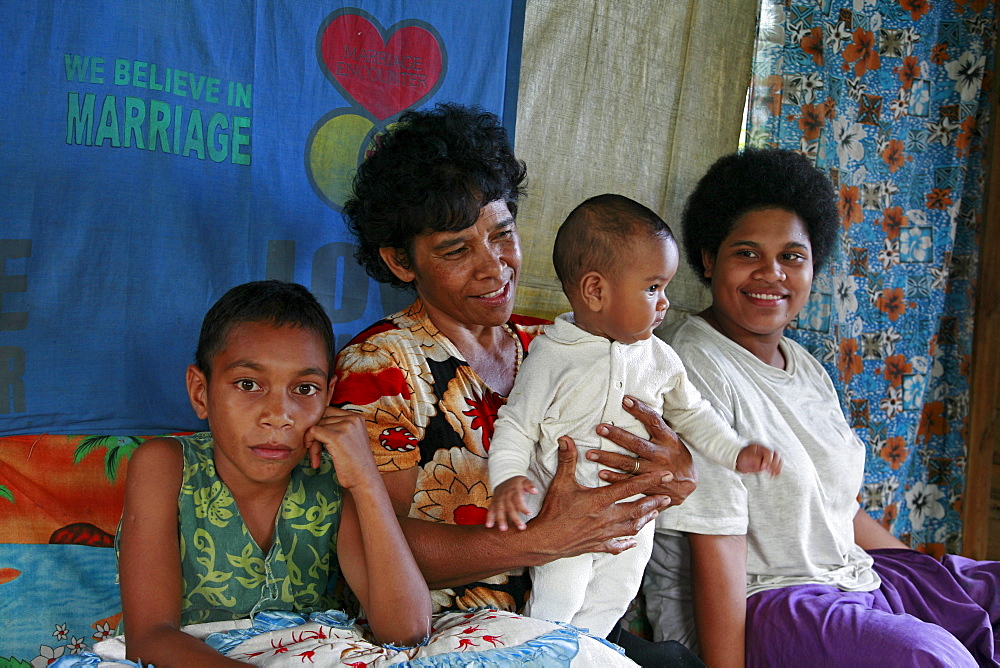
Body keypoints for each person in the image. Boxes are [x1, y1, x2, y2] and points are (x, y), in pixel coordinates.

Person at [333, 103, 703, 667]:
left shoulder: (559, 341)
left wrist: (672, 474)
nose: (494, 266)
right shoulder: (378, 367)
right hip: (452, 637)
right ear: (400, 261)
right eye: (456, 250)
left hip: (588, 621)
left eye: (502, 234)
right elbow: (379, 547)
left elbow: (653, 462)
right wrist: (542, 541)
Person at [643, 148, 1000, 667]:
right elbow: (715, 537)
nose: (772, 274)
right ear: (706, 259)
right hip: (763, 603)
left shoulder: (804, 364)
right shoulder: (690, 364)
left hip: (851, 580)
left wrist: (926, 577)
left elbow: (835, 507)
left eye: (791, 256)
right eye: (747, 253)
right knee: (930, 655)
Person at [485, 194, 781, 638]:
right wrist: (507, 478)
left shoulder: (661, 359)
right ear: (596, 291)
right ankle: (540, 655)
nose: (664, 302)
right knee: (559, 598)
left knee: (613, 598)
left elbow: (694, 415)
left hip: (633, 519)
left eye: (664, 288)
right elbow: (517, 424)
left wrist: (735, 452)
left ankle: (586, 654)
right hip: (561, 513)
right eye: (652, 287)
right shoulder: (553, 354)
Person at [111, 280, 431, 666]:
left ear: (329, 397)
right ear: (200, 392)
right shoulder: (165, 465)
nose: (279, 415)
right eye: (249, 384)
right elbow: (149, 638)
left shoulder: (332, 476)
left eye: (305, 388)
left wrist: (366, 481)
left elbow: (407, 630)